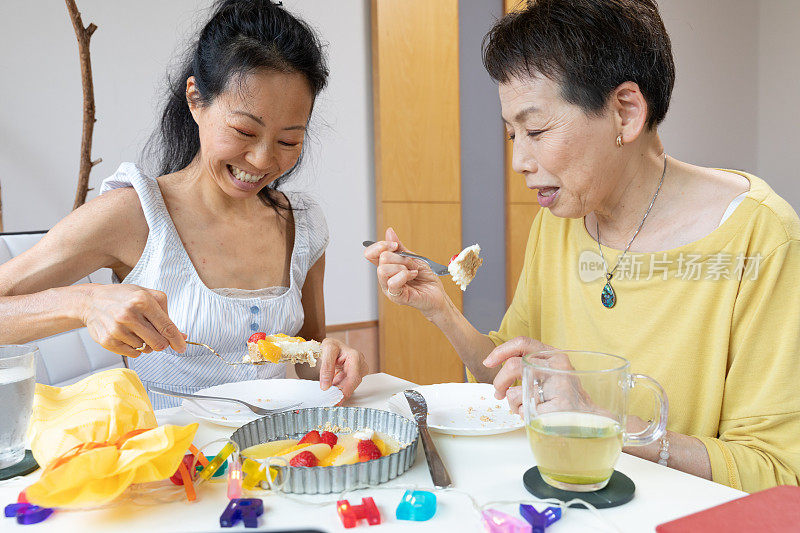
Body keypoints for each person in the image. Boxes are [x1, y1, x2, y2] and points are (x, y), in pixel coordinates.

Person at [365, 0, 800, 492]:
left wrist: (599, 419)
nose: (519, 161)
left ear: (625, 113)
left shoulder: (759, 237)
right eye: (511, 135)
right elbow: (518, 382)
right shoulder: (560, 221)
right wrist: (441, 310)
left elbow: (776, 473)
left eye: (535, 130)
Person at [0, 0, 367, 408]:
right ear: (195, 99)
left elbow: (307, 349)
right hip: (168, 461)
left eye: (288, 141)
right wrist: (84, 302)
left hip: (272, 457)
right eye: (244, 130)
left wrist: (331, 358)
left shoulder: (304, 224)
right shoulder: (134, 215)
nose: (263, 161)